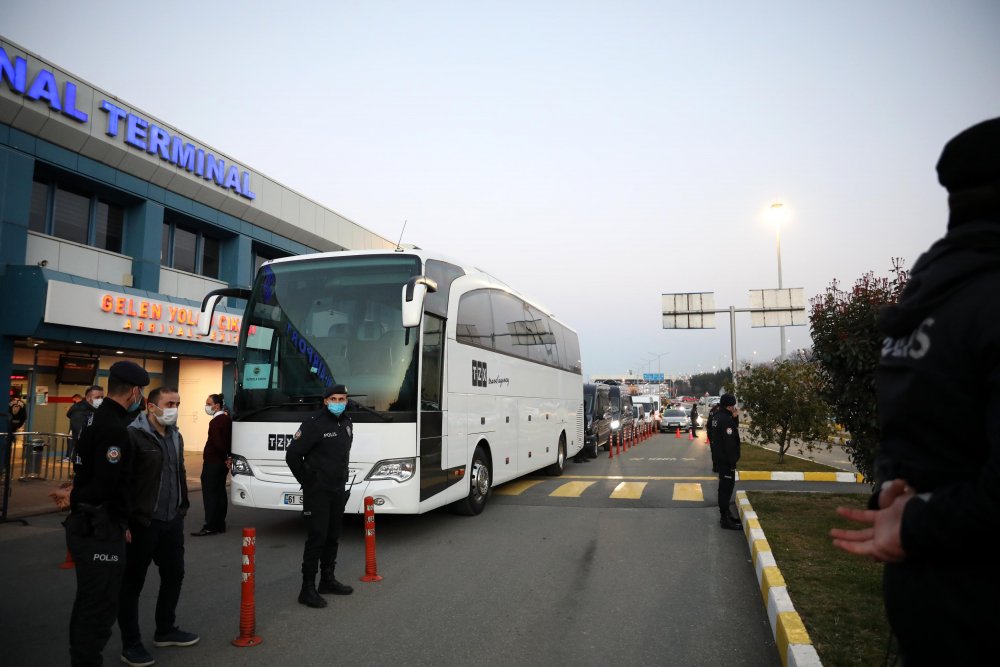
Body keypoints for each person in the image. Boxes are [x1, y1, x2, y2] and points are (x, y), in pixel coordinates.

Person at [830, 117, 1000, 665]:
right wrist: (918, 519)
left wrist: (897, 503)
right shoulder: (986, 300)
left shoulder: (927, 302)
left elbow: (900, 447)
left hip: (926, 597)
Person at [65, 361, 149, 666]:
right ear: (135, 392)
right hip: (99, 526)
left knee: (89, 600)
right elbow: (107, 484)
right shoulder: (114, 428)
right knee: (98, 604)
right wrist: (119, 521)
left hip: (87, 520)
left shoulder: (94, 417)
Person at [118, 386, 197, 665]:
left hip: (171, 520)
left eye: (177, 402)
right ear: (151, 407)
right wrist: (124, 520)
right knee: (132, 583)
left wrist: (182, 508)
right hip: (143, 521)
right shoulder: (132, 435)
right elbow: (123, 481)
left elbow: (180, 472)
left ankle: (165, 629)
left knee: (174, 574)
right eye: (169, 403)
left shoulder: (176, 435)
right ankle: (131, 643)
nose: (174, 408)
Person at [285, 384, 355, 608]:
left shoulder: (346, 422)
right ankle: (307, 589)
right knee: (317, 537)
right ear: (325, 401)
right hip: (318, 492)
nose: (338, 402)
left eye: (342, 399)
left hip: (337, 489)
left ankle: (327, 580)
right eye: (333, 398)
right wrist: (308, 482)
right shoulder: (313, 424)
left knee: (333, 536)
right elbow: (293, 455)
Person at [192, 393, 232, 537]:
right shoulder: (227, 420)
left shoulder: (215, 422)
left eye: (209, 404)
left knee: (210, 495)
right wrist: (228, 457)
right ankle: (220, 524)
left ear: (217, 406)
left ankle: (210, 526)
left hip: (213, 462)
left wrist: (224, 456)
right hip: (221, 463)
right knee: (220, 492)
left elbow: (218, 443)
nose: (206, 407)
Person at [713, 394, 742, 530]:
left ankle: (727, 515)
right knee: (726, 490)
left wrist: (734, 419)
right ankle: (725, 519)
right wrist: (733, 461)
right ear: (729, 405)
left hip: (719, 458)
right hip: (726, 461)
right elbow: (730, 443)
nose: (734, 408)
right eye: (733, 406)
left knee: (724, 489)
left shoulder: (717, 417)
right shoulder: (726, 420)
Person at [66, 385, 104, 461]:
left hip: (95, 455)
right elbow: (81, 432)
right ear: (88, 398)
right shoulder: (78, 410)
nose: (100, 400)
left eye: (102, 397)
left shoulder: (97, 410)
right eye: (97, 397)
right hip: (82, 456)